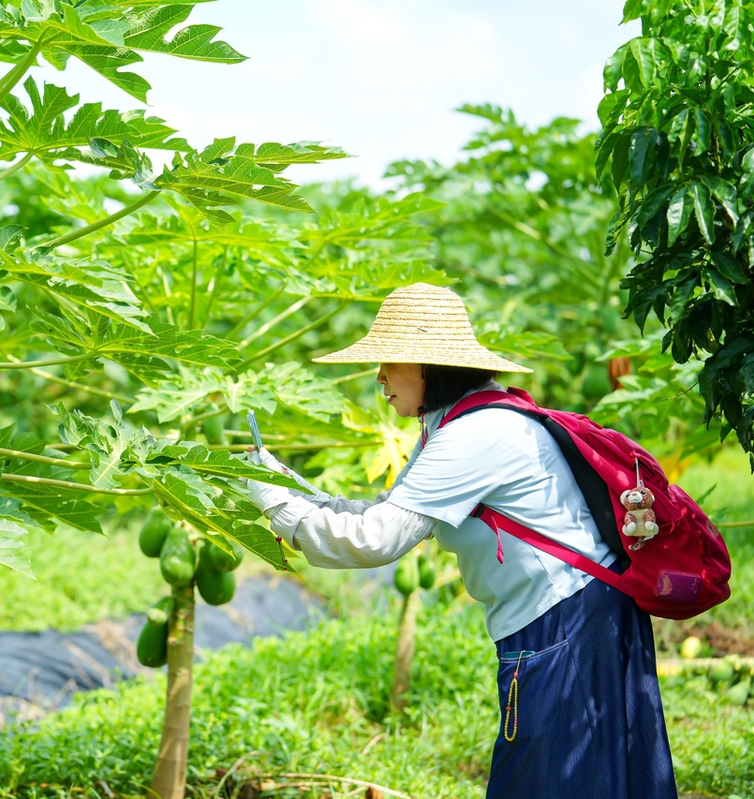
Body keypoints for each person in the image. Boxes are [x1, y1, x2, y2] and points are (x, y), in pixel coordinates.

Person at [245, 283, 677, 799]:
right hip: (578, 614)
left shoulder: (473, 436)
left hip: (568, 620)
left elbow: (374, 540)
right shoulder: (457, 423)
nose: (378, 376)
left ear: (429, 366)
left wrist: (272, 501)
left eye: (389, 361)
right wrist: (291, 486)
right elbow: (386, 510)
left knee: (547, 781)